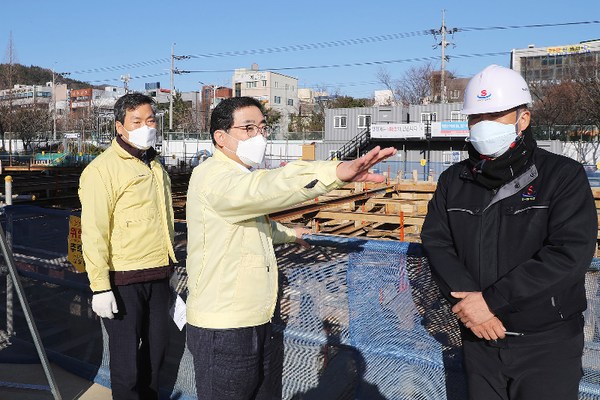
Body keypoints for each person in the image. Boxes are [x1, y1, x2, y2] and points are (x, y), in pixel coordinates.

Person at [185, 96, 396, 400]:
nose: (259, 136)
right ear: (221, 137)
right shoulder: (214, 177)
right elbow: (267, 187)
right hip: (225, 327)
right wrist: (334, 174)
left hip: (256, 318)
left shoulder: (236, 178)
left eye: (262, 127)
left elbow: (254, 226)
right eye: (248, 128)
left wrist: (288, 233)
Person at [421, 64, 598, 400]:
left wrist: (490, 302)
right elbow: (437, 242)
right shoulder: (454, 180)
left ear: (523, 119)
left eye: (496, 115)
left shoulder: (562, 176)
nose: (483, 125)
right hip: (479, 340)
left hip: (546, 343)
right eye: (476, 117)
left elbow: (568, 254)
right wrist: (473, 309)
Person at [79, 93, 177, 400]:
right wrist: (100, 287)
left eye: (150, 120)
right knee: (127, 366)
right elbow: (94, 232)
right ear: (120, 127)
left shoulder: (155, 163)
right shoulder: (101, 170)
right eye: (137, 121)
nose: (146, 126)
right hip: (123, 281)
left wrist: (170, 264)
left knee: (156, 354)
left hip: (159, 276)